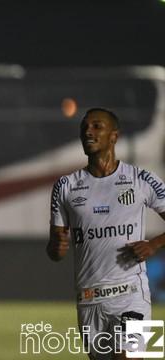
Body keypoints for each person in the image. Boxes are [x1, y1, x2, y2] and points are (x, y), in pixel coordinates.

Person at [47, 108, 165, 359]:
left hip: (130, 295)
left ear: (114, 136)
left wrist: (154, 244)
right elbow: (55, 251)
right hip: (89, 299)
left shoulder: (140, 179)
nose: (88, 131)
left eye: (96, 126)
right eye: (84, 127)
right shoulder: (66, 186)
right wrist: (57, 246)